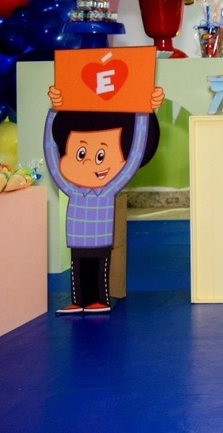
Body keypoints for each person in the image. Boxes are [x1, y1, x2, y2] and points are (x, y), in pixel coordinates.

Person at [44, 85, 163, 314]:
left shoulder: (110, 189)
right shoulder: (70, 188)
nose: (89, 162)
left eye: (101, 155)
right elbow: (51, 150)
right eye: (80, 153)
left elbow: (135, 153)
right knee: (78, 262)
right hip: (77, 234)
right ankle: (79, 300)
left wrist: (143, 112)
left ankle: (99, 299)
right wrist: (54, 110)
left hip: (101, 233)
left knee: (99, 261)